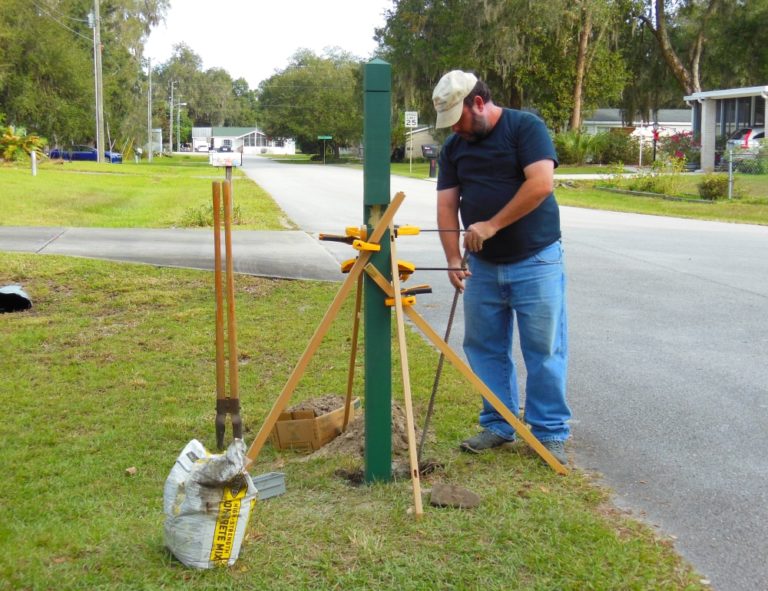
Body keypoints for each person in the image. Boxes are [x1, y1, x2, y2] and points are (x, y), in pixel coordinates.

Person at [432, 70, 570, 465]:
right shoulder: (454, 148)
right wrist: (452, 259)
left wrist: (491, 224)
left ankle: (548, 432)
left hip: (536, 258)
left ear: (478, 102)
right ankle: (498, 423)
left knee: (543, 348)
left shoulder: (525, 127)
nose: (455, 129)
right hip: (482, 267)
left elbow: (541, 183)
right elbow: (446, 205)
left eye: (458, 118)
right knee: (484, 346)